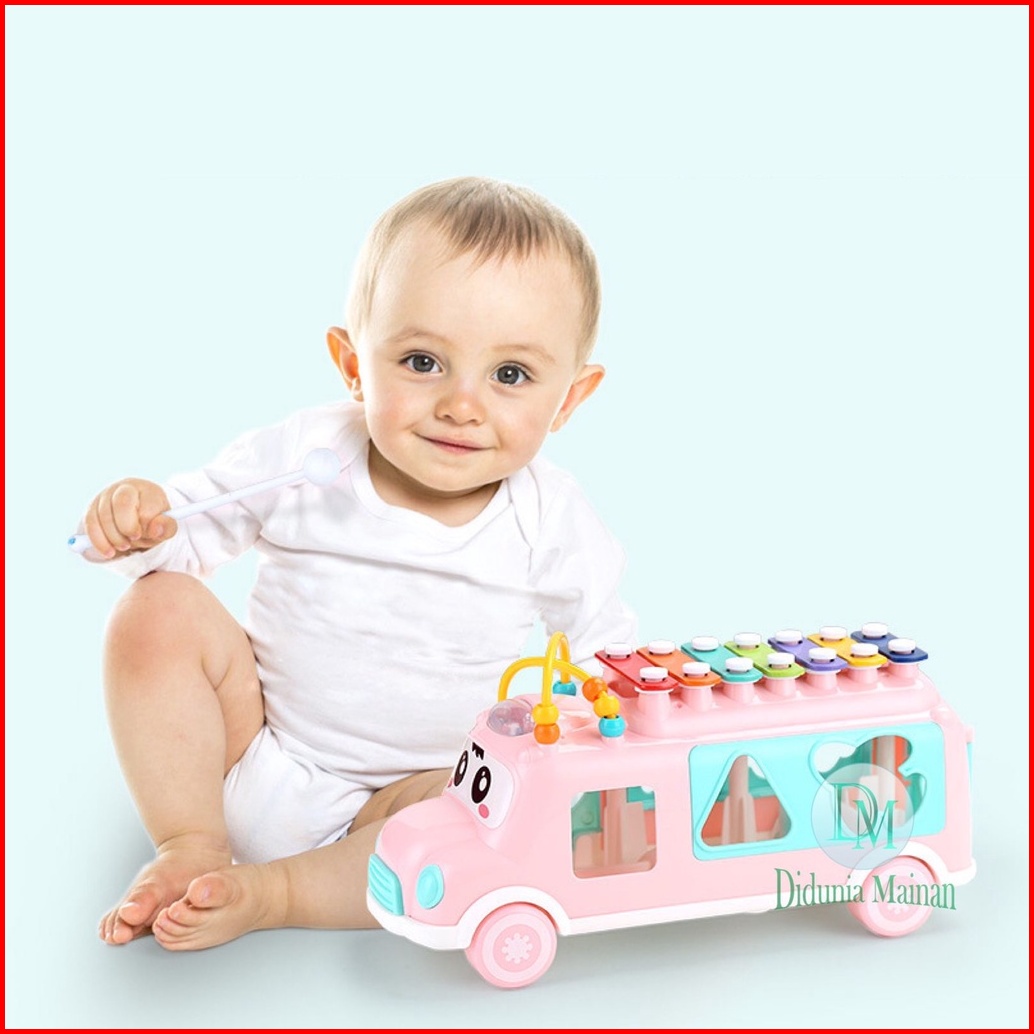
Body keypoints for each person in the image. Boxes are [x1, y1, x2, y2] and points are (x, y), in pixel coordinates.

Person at [79, 176, 637, 951]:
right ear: (352, 363)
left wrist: (594, 743)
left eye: (509, 375)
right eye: (421, 361)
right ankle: (191, 843)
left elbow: (605, 657)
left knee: (484, 816)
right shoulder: (307, 454)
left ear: (570, 399)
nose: (462, 405)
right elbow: (192, 528)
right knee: (156, 605)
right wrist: (142, 526)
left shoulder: (551, 518)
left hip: (409, 802)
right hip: (252, 752)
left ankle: (274, 894)